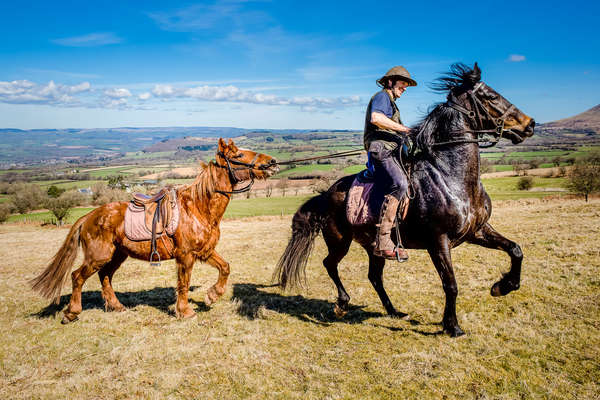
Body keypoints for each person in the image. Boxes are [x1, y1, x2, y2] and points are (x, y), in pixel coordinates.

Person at [363, 66, 417, 261]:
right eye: (402, 83)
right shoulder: (382, 97)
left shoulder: (393, 104)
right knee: (400, 184)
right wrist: (405, 129)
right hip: (382, 150)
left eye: (406, 85)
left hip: (392, 150)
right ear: (390, 82)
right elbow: (376, 118)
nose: (405, 87)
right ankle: (383, 241)